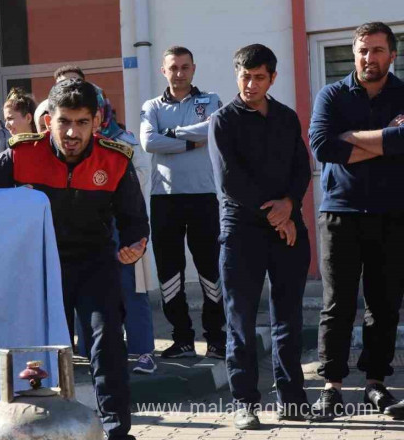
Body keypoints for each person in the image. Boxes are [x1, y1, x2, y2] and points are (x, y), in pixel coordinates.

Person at [0, 79, 149, 440]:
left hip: (96, 264)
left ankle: (116, 429)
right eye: (64, 121)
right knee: (38, 349)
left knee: (107, 342)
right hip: (39, 268)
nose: (72, 132)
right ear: (48, 121)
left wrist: (134, 245)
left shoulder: (115, 159)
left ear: (96, 122)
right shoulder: (20, 154)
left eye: (81, 122)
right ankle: (34, 427)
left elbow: (135, 220)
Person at [208, 44, 321, 429]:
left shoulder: (286, 117)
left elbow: (301, 167)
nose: (251, 84)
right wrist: (278, 216)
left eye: (259, 77)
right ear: (236, 75)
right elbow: (230, 181)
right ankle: (244, 402)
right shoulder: (223, 120)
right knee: (240, 319)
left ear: (272, 78)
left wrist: (289, 204)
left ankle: (292, 398)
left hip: (288, 228)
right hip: (242, 232)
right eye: (244, 76)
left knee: (287, 316)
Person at [309, 22, 404, 420]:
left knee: (383, 305)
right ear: (354, 52)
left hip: (393, 214)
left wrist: (351, 137)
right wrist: (386, 142)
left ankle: (375, 385)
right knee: (337, 304)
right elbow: (321, 146)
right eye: (363, 50)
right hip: (340, 212)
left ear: (392, 55)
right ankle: (331, 388)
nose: (370, 58)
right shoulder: (331, 94)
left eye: (378, 50)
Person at [53, 66, 158, 374]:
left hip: (117, 227)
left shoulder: (122, 144)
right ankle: (85, 355)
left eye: (84, 118)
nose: (74, 128)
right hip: (74, 239)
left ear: (97, 114)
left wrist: (132, 234)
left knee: (129, 291)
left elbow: (138, 182)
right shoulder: (47, 148)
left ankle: (143, 352)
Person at [140, 46, 226, 360]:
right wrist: (191, 141)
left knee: (209, 269)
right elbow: (149, 141)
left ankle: (216, 339)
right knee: (170, 271)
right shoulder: (151, 105)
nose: (179, 73)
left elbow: (212, 129)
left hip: (203, 197)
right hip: (165, 199)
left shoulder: (210, 100)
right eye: (173, 67)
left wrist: (173, 134)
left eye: (184, 67)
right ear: (164, 71)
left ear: (193, 69)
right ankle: (182, 339)